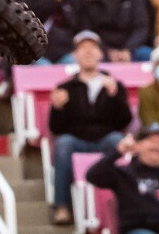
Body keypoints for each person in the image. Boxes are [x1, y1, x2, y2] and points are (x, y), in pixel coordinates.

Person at [46, 32, 132, 224]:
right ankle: (62, 205)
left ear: (101, 54)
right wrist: (57, 109)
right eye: (82, 49)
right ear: (74, 55)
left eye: (92, 48)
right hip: (77, 140)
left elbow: (124, 121)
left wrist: (115, 96)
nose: (88, 53)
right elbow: (56, 127)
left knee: (118, 141)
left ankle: (124, 201)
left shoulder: (114, 84)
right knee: (63, 144)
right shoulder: (65, 87)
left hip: (106, 139)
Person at [84, 127, 159, 234]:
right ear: (137, 145)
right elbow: (92, 175)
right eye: (151, 141)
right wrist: (118, 151)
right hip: (139, 230)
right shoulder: (123, 174)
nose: (156, 146)